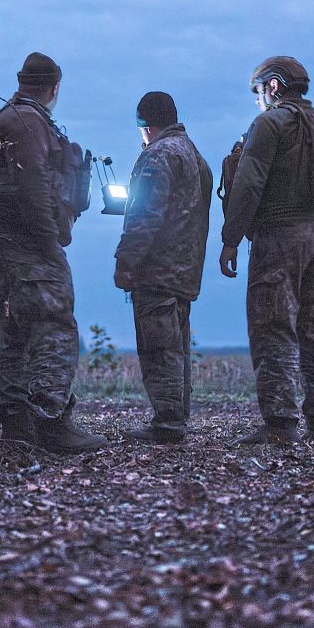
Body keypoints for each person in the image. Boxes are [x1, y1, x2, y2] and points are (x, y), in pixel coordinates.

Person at [0, 52, 107, 453]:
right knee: (54, 326)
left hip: (0, 240)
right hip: (29, 242)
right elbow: (33, 187)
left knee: (13, 331)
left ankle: (16, 425)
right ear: (54, 88)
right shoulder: (29, 123)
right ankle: (51, 424)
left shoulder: (0, 121)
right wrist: (52, 241)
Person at [218, 56, 314, 444]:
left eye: (258, 92)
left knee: (273, 325)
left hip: (280, 236)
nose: (257, 100)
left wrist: (230, 239)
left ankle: (280, 422)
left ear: (272, 86)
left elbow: (248, 186)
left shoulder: (269, 124)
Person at [113, 92, 213, 444]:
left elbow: (144, 216)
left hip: (157, 269)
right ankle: (176, 416)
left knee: (159, 347)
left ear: (146, 126)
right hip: (186, 269)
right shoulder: (196, 157)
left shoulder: (157, 155)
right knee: (178, 346)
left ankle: (168, 423)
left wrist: (126, 261)